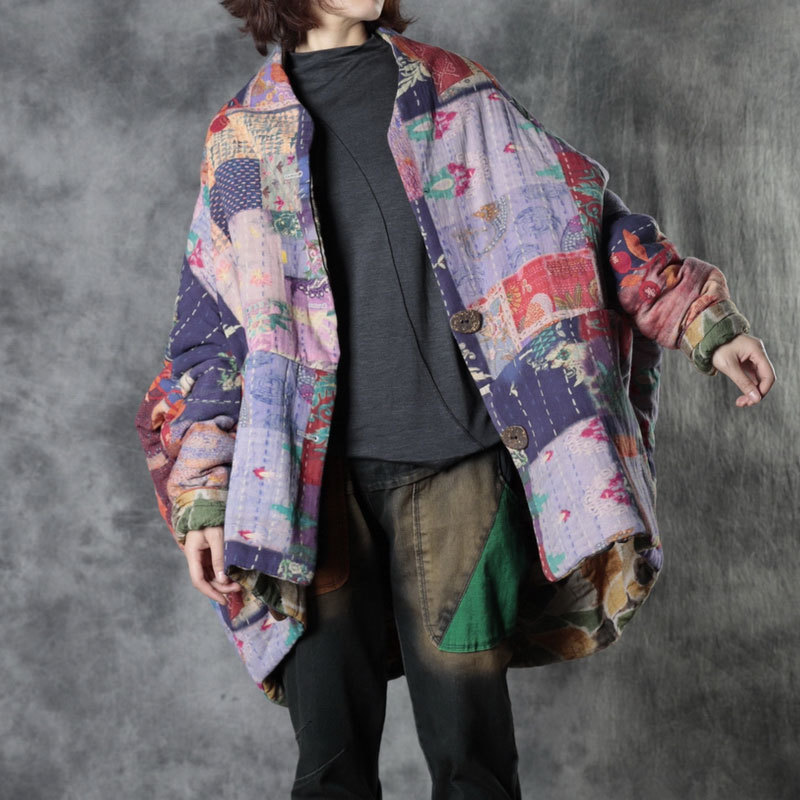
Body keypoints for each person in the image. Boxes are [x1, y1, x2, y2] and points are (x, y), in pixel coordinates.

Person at [134, 1, 776, 797]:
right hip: (309, 494)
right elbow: (210, 332)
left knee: (472, 758)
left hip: (458, 477)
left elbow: (578, 215)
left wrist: (701, 318)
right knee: (329, 764)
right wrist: (202, 493)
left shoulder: (454, 94)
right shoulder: (240, 136)